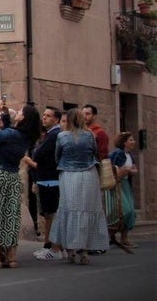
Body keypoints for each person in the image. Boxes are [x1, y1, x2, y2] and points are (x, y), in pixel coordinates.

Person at [0, 102, 41, 269]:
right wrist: (4, 116)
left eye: (19, 112)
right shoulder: (25, 137)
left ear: (23, 117)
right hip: (12, 176)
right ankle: (11, 258)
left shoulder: (12, 135)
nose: (17, 112)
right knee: (9, 216)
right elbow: (8, 131)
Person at [49, 108, 109, 264]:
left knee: (68, 209)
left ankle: (70, 249)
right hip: (88, 174)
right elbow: (95, 154)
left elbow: (57, 156)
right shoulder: (90, 136)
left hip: (68, 175)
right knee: (86, 209)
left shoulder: (62, 136)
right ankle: (84, 250)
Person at [24, 107, 63, 260]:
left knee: (51, 214)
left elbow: (39, 154)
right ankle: (49, 245)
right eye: (44, 115)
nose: (44, 118)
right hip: (45, 179)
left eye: (48, 116)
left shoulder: (53, 135)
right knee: (47, 214)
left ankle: (55, 248)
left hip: (50, 180)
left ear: (56, 119)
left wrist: (30, 160)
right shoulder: (50, 135)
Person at [106, 132, 138, 248]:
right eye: (130, 140)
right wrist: (124, 171)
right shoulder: (118, 154)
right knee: (124, 210)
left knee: (131, 212)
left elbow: (133, 169)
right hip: (117, 184)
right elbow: (113, 169)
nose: (133, 142)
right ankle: (111, 235)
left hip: (126, 185)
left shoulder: (130, 155)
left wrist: (130, 171)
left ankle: (124, 238)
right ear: (124, 142)